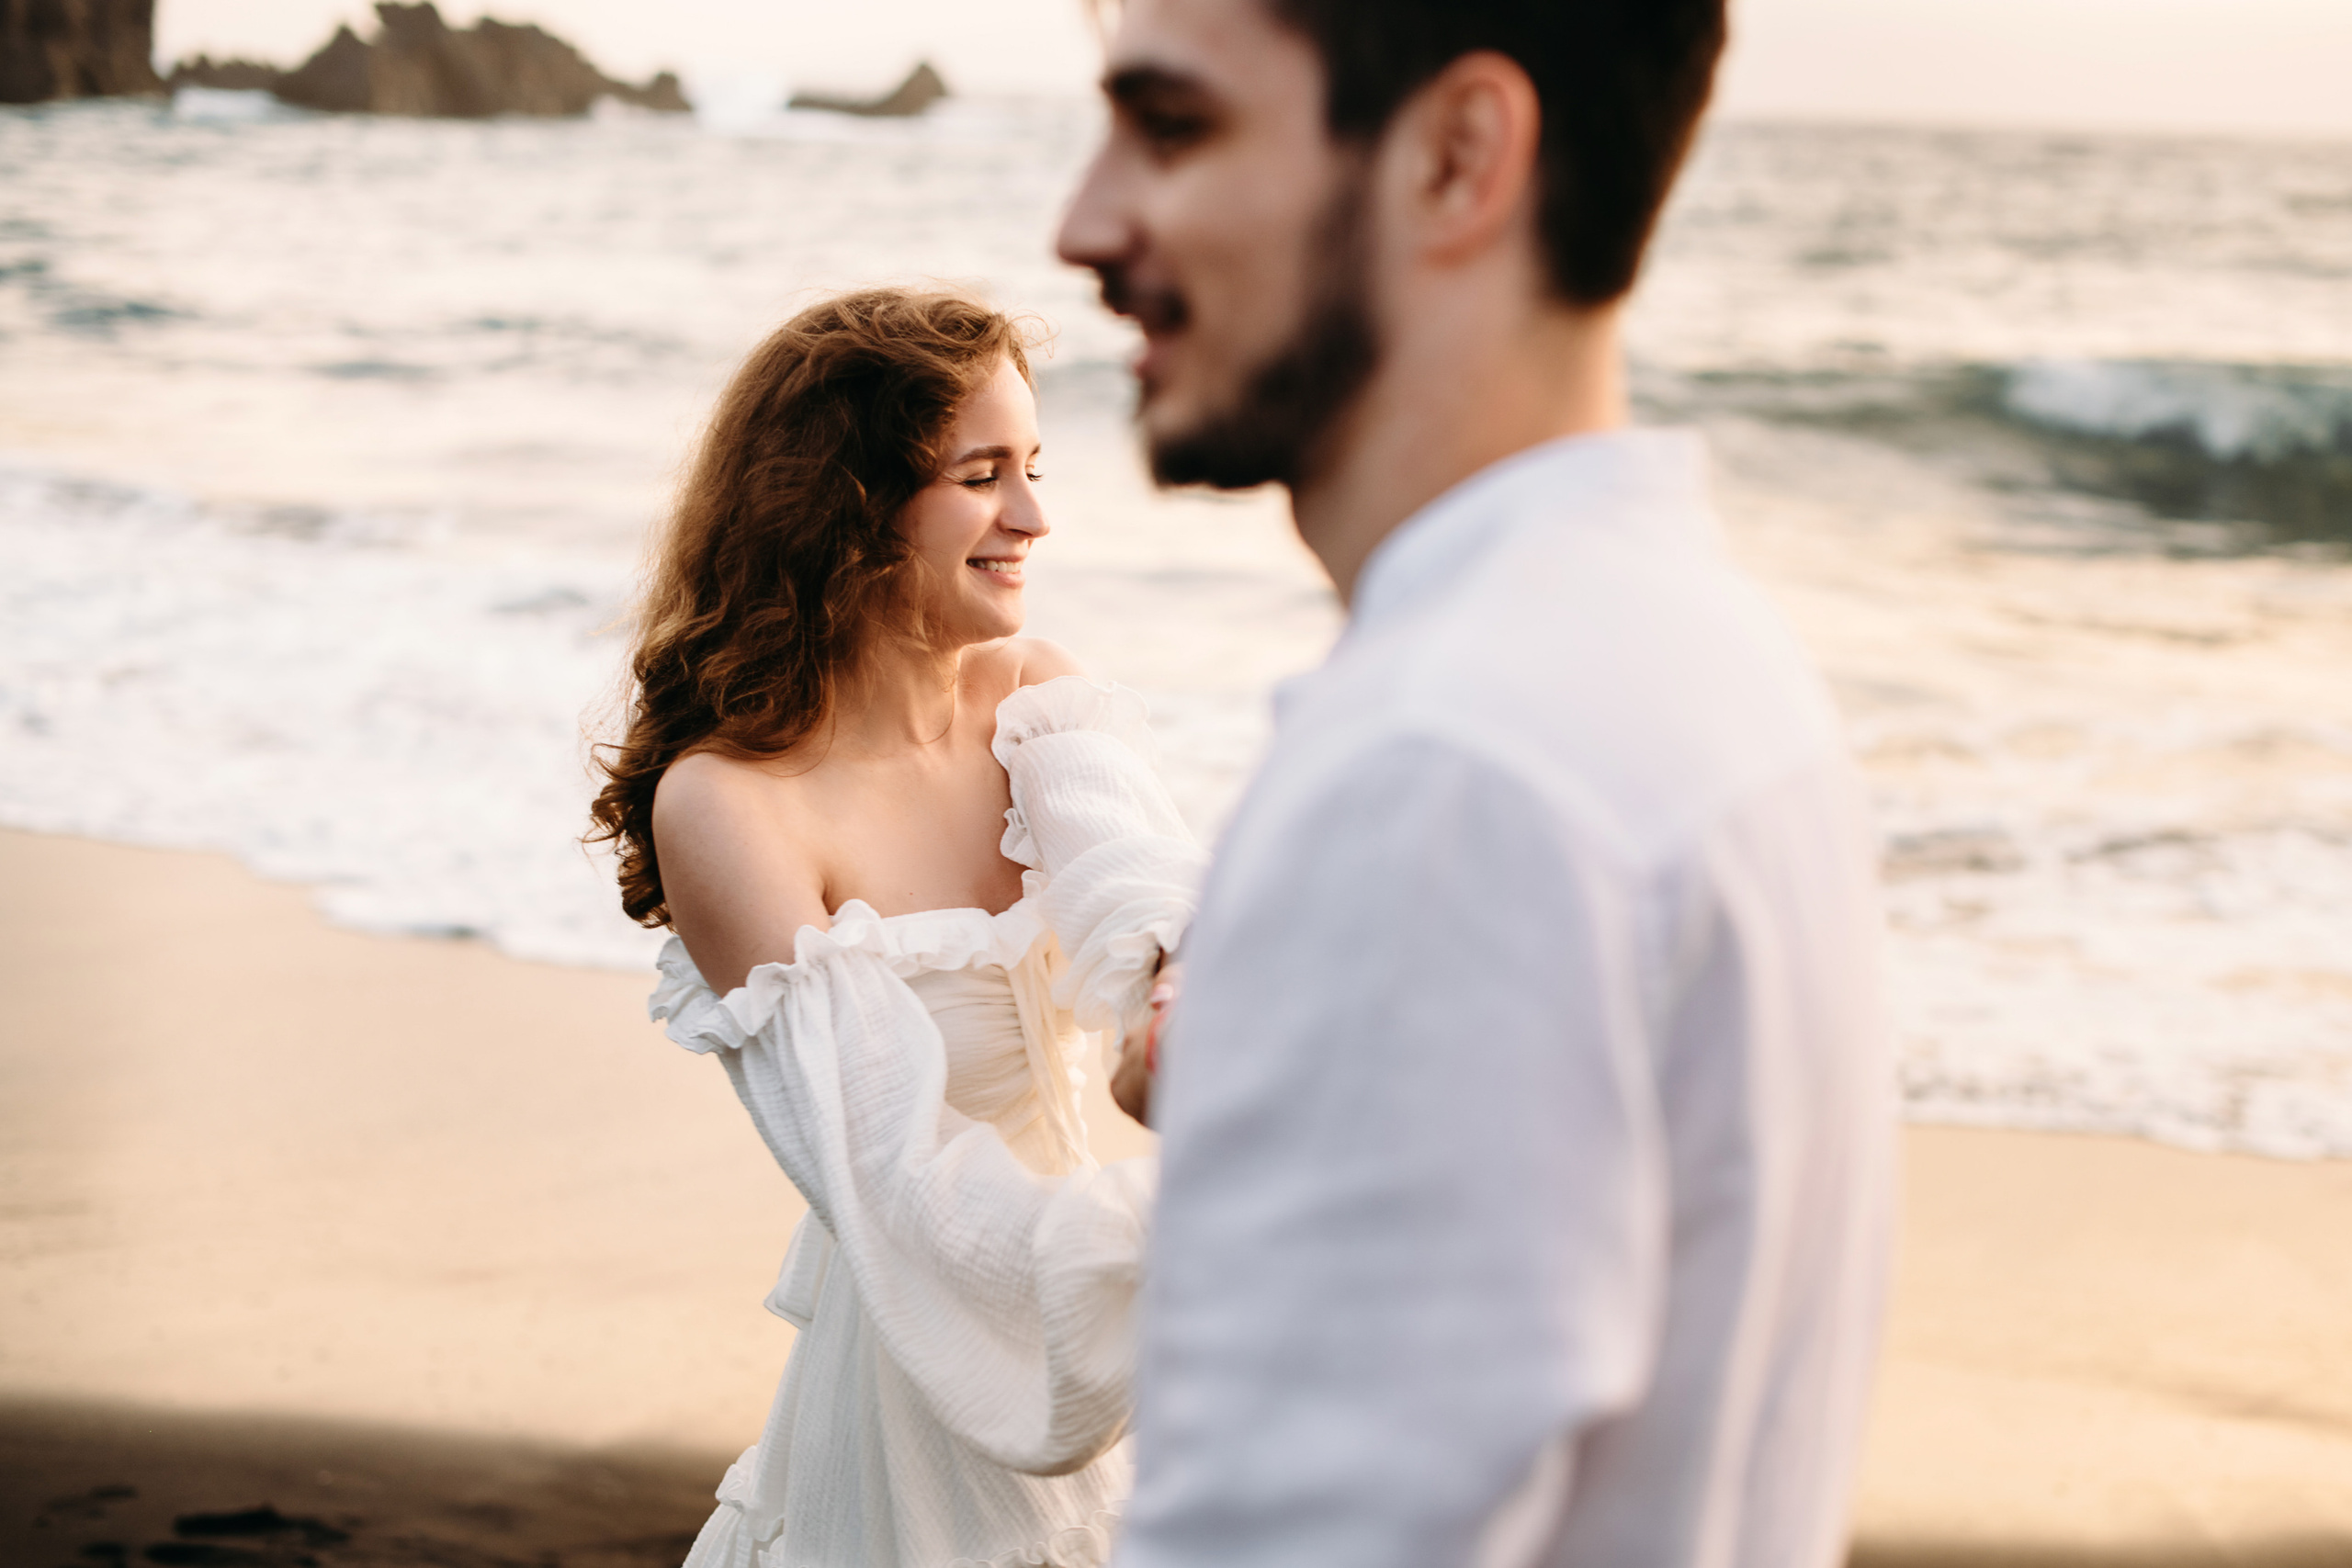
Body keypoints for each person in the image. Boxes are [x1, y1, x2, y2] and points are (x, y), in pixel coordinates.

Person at [1055, 2, 1895, 1565]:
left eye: (1172, 127)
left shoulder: (1440, 778)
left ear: (1456, 157)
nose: (1083, 225)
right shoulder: (1704, 657)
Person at [587, 288, 1202, 1568]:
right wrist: (1178, 1238)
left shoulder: (1038, 696)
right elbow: (890, 1173)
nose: (1033, 517)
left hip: (1120, 1321)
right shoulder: (731, 803)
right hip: (936, 1365)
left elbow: (1138, 903)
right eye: (982, 477)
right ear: (850, 506)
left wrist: (1188, 1013)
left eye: (1033, 468)